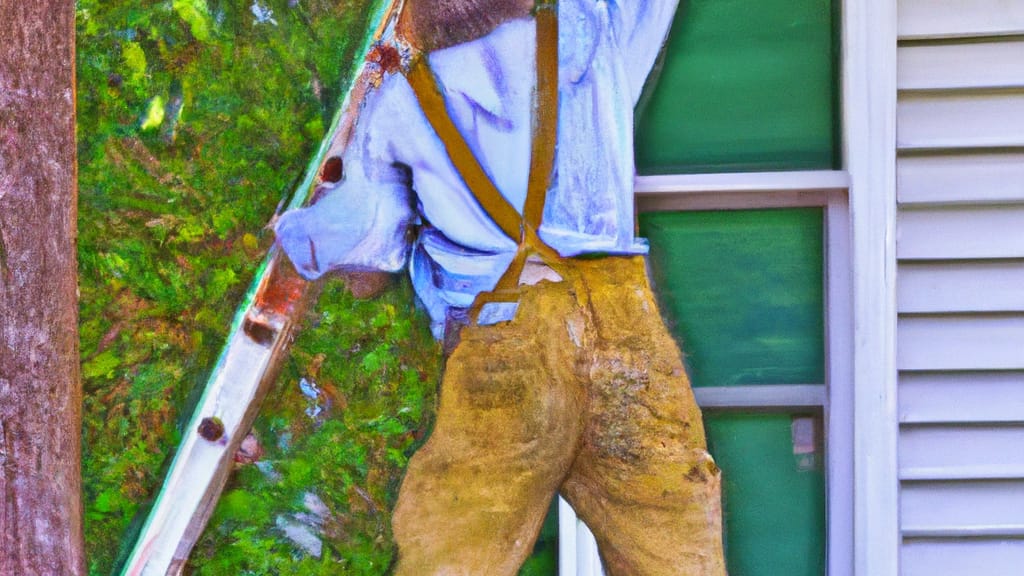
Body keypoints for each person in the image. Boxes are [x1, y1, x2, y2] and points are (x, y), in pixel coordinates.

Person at [274, 0, 727, 574]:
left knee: (456, 549)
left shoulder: (395, 102)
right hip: (624, 327)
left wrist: (292, 233)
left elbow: (368, 251)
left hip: (503, 341)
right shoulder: (591, 31)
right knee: (672, 544)